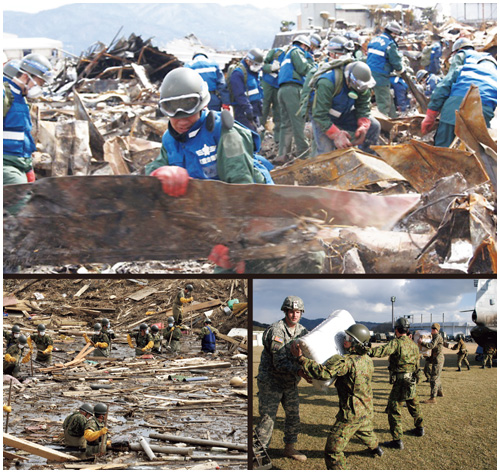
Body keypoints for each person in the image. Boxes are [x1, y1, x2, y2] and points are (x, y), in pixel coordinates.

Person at [144, 66, 273, 189]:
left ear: (203, 107)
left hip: (248, 197)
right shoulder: (170, 139)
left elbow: (242, 185)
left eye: (189, 114)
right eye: (175, 116)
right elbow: (157, 166)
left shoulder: (225, 133)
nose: (182, 122)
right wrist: (159, 173)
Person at [291, 323, 383, 469]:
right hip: (365, 409)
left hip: (351, 413)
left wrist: (301, 358)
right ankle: (376, 448)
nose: (344, 340)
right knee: (365, 430)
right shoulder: (367, 360)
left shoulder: (346, 362)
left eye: (348, 338)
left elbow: (323, 373)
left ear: (356, 343)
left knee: (332, 450)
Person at [254, 296, 310, 462]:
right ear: (285, 311)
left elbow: (307, 354)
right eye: (291, 311)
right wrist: (301, 372)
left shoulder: (302, 331)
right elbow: (279, 363)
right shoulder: (277, 331)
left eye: (298, 312)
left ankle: (289, 448)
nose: (294, 315)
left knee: (293, 416)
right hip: (271, 382)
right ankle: (258, 455)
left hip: (290, 383)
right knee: (267, 420)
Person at [3, 53, 53, 214]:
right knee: (23, 209)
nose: (40, 87)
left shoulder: (21, 98)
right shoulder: (4, 94)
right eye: (39, 83)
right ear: (26, 76)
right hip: (5, 163)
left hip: (21, 162)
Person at [421, 45, 496, 147]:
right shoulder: (495, 70)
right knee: (475, 154)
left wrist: (431, 114)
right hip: (483, 110)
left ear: (457, 51)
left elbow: (446, 83)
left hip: (457, 105)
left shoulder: (462, 55)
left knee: (443, 151)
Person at [369, 317, 424, 449]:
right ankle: (420, 428)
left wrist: (367, 351)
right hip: (411, 380)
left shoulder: (397, 343)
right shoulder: (413, 345)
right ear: (407, 330)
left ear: (396, 330)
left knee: (394, 410)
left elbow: (382, 350)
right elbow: (417, 365)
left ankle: (397, 440)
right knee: (413, 405)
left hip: (400, 382)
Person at [310, 60, 380, 157]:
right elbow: (319, 115)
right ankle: (320, 168)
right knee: (326, 151)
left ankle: (368, 158)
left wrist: (363, 125)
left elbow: (363, 106)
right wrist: (336, 134)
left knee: (374, 126)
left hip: (343, 112)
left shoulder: (362, 85)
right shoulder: (327, 82)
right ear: (349, 80)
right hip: (322, 116)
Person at [276, 35, 315, 163]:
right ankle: (303, 154)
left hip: (282, 91)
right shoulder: (297, 51)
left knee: (286, 124)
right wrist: (314, 65)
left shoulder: (287, 54)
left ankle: (283, 154)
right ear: (304, 45)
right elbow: (304, 69)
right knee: (298, 122)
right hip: (293, 89)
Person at [366, 21, 404, 118]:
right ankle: (383, 127)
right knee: (383, 103)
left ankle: (393, 118)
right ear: (393, 34)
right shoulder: (390, 44)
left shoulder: (374, 40)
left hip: (368, 73)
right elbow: (396, 61)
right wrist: (400, 69)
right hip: (380, 75)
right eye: (397, 35)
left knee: (388, 98)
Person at [227, 49, 264, 131]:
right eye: (255, 64)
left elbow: (257, 89)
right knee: (247, 135)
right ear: (248, 60)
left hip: (254, 108)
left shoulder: (253, 72)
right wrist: (247, 109)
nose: (257, 67)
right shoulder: (238, 73)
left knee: (256, 135)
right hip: (243, 111)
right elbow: (239, 94)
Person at [261, 46, 286, 145]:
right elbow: (262, 65)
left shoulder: (293, 57)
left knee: (279, 112)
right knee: (263, 110)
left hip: (279, 85)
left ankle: (278, 139)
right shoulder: (276, 52)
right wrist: (270, 68)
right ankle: (259, 139)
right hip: (267, 83)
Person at [417, 323, 444, 403]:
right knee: (436, 375)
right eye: (432, 328)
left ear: (437, 330)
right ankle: (440, 392)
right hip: (434, 358)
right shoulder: (433, 337)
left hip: (438, 359)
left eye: (434, 328)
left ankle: (433, 398)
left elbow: (431, 346)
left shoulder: (437, 337)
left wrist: (422, 343)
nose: (432, 330)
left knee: (434, 378)